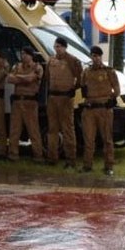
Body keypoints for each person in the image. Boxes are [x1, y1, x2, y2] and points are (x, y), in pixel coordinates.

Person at [81, 46, 120, 176]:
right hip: (90, 109)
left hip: (104, 109)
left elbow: (117, 90)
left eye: (97, 56)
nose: (95, 58)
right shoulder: (86, 72)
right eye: (93, 56)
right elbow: (83, 88)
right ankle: (87, 165)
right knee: (89, 139)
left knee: (107, 139)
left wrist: (111, 99)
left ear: (101, 57)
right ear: (91, 57)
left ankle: (109, 166)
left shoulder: (109, 71)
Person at [45, 38, 83, 166]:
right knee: (52, 129)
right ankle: (52, 157)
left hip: (66, 98)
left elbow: (80, 77)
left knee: (68, 129)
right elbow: (47, 78)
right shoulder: (51, 60)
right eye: (56, 46)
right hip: (52, 98)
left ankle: (70, 159)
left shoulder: (72, 60)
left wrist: (73, 89)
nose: (57, 49)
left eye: (60, 46)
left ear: (65, 47)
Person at [7, 46, 43, 162]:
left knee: (33, 130)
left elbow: (30, 79)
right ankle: (13, 154)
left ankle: (38, 155)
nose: (22, 56)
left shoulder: (37, 67)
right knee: (14, 129)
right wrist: (23, 78)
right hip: (17, 101)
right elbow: (10, 79)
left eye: (25, 54)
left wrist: (19, 78)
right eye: (21, 54)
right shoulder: (16, 66)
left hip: (30, 102)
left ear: (30, 55)